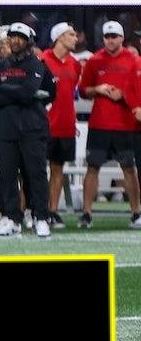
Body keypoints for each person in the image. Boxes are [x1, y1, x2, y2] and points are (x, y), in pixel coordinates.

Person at [0, 23, 55, 237]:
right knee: (6, 174)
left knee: (35, 174)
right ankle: (11, 217)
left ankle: (40, 216)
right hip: (6, 129)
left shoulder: (38, 65)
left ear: (29, 41)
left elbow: (33, 92)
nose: (15, 41)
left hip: (33, 128)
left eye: (20, 37)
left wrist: (8, 91)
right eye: (12, 37)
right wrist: (22, 92)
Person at [77, 20, 141, 229]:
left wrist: (124, 95)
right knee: (92, 167)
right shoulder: (95, 61)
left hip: (126, 124)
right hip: (100, 123)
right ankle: (86, 213)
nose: (111, 40)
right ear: (103, 38)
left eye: (114, 36)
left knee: (129, 168)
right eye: (107, 36)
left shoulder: (134, 60)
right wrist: (99, 89)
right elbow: (83, 90)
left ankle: (136, 212)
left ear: (122, 38)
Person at [41, 22, 80, 229]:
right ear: (59, 37)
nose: (76, 38)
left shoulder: (75, 64)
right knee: (33, 170)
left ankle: (52, 211)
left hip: (66, 126)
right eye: (71, 34)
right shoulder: (42, 60)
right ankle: (27, 210)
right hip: (44, 125)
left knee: (58, 169)